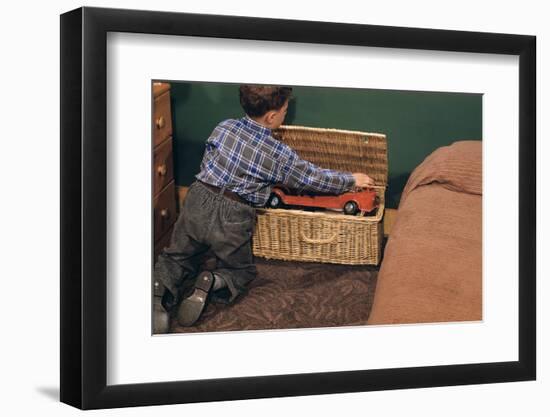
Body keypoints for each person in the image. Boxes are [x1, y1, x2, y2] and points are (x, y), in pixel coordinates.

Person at [153, 85, 375, 333]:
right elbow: (311, 178)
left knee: (178, 254)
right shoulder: (279, 153)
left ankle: (160, 290)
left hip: (198, 198)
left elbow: (210, 161)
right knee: (240, 270)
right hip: (233, 215)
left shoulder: (223, 127)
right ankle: (214, 281)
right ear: (272, 117)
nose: (285, 114)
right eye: (285, 110)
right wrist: (350, 180)